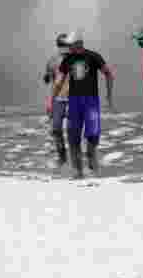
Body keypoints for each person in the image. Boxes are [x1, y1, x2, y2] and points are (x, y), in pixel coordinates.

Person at [48, 32, 115, 179]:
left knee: (93, 135)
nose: (68, 48)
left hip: (91, 101)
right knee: (73, 136)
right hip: (74, 101)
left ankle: (91, 160)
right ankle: (77, 170)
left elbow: (109, 74)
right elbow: (59, 81)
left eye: (70, 45)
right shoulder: (67, 60)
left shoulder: (93, 56)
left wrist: (109, 95)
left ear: (78, 43)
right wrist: (52, 100)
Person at [43, 33, 72, 168]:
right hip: (58, 99)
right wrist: (47, 77)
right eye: (61, 46)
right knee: (56, 129)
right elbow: (47, 76)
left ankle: (75, 156)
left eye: (65, 45)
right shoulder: (53, 60)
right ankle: (62, 156)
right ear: (58, 46)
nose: (64, 48)